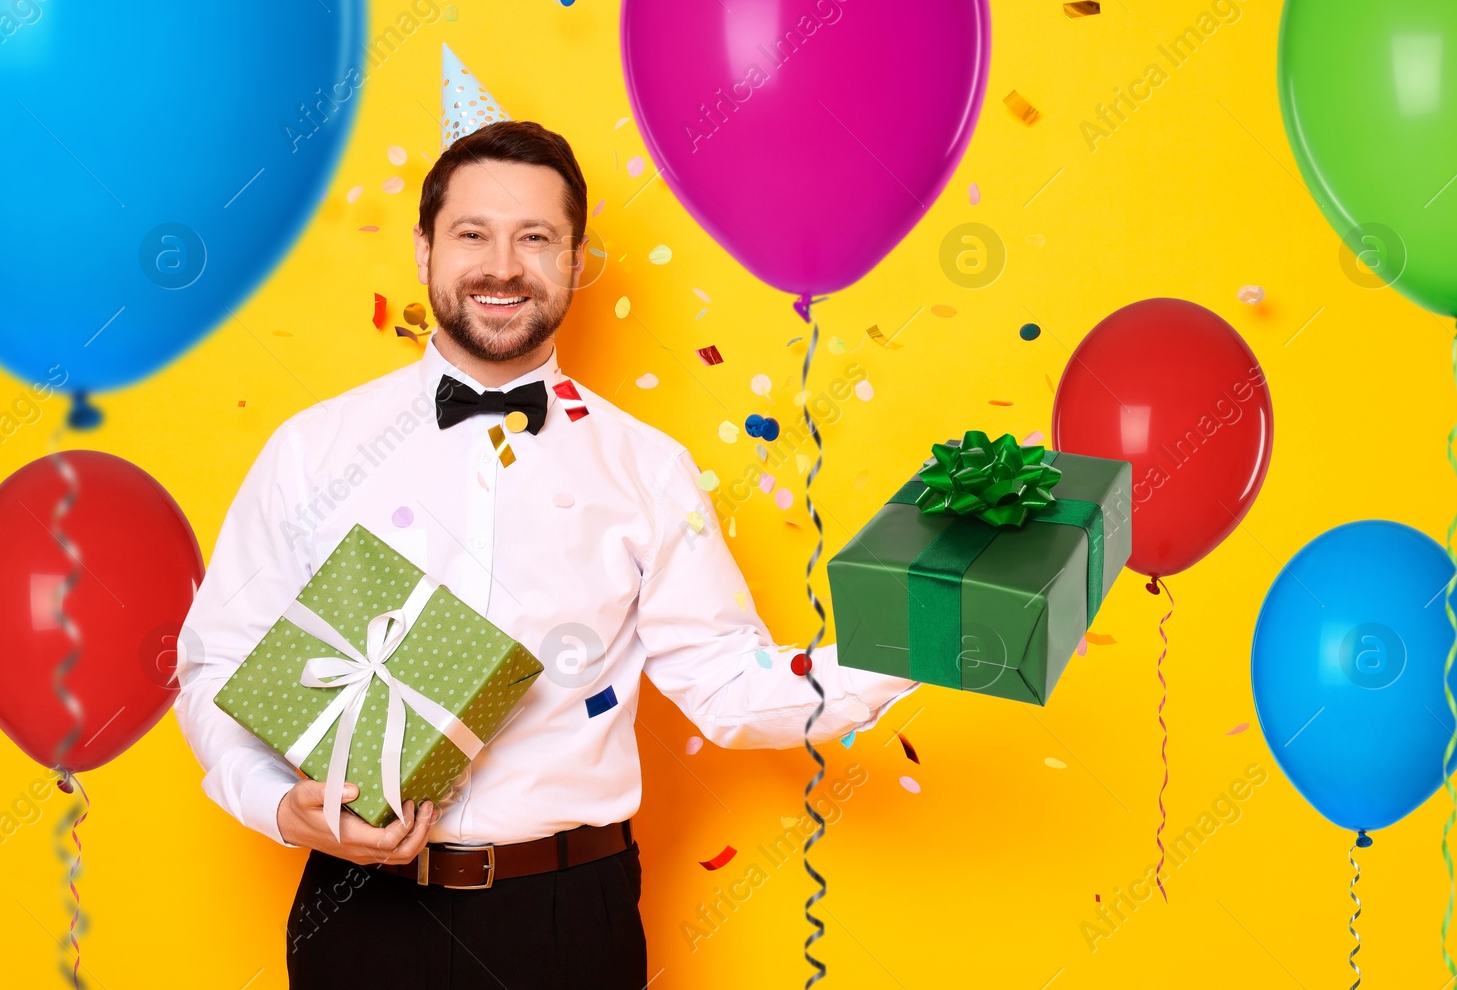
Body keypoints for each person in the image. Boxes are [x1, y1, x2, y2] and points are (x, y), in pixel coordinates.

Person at [174, 116, 917, 990]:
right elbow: (218, 664)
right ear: (424, 251)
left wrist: (924, 631)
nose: (502, 265)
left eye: (536, 237)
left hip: (569, 917)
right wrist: (282, 808)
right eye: (472, 234)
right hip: (358, 910)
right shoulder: (314, 449)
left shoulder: (647, 468)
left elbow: (728, 682)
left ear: (575, 260)